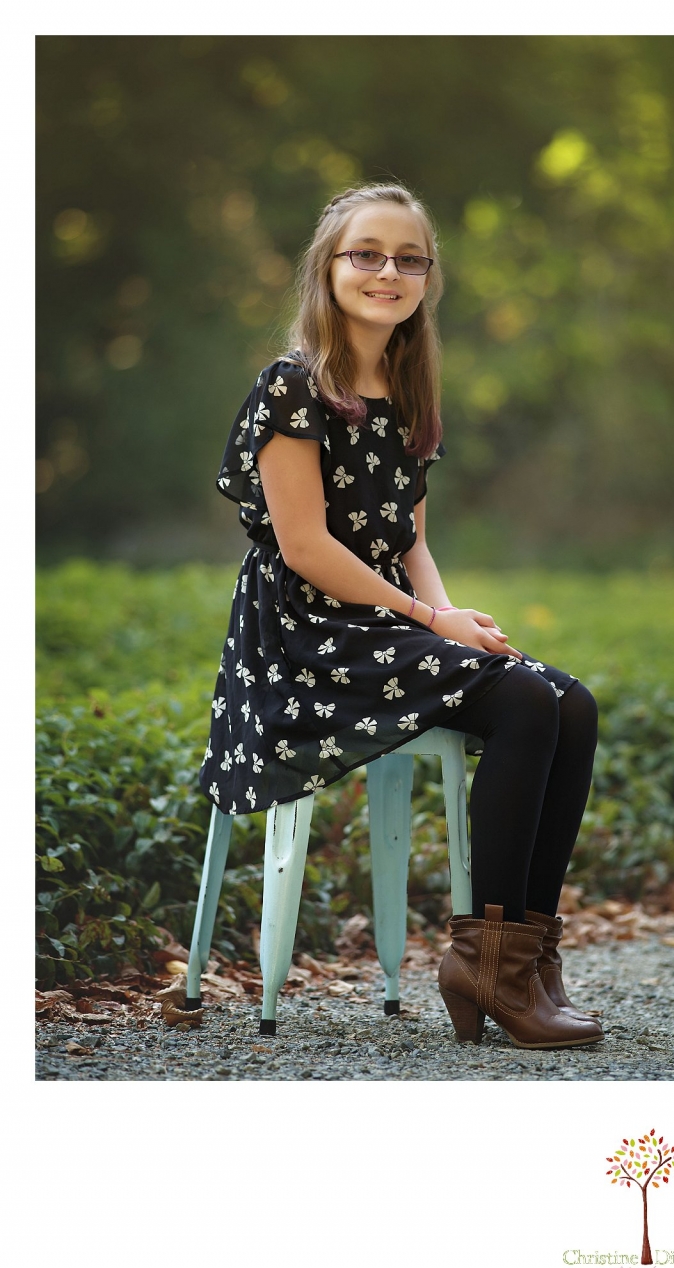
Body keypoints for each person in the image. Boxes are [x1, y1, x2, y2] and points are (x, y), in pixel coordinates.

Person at [200, 182, 603, 1051]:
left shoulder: (409, 390)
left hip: (384, 622)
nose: (388, 271)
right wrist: (427, 618)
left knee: (571, 702)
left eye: (407, 258)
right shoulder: (292, 389)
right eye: (367, 253)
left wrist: (451, 614)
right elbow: (305, 548)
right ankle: (489, 964)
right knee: (527, 702)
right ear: (329, 267)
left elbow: (410, 537)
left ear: (426, 276)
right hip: (306, 634)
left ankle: (521, 956)